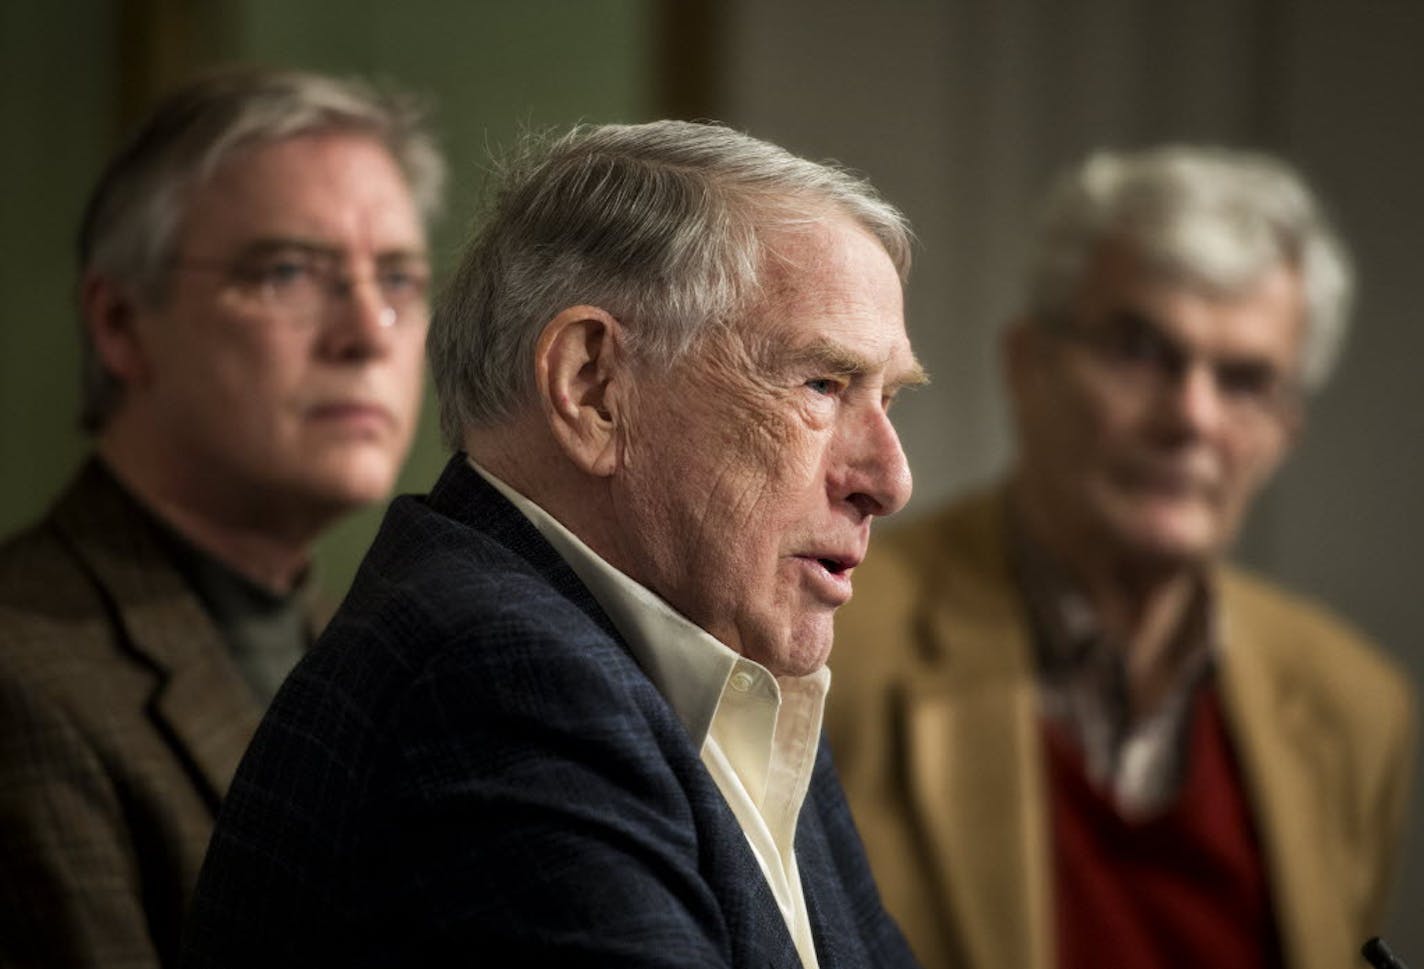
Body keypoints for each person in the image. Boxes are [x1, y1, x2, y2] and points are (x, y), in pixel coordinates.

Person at [180, 120, 926, 968]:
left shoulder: (734, 673)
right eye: (823, 384)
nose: (888, 479)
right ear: (593, 387)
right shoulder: (499, 680)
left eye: (888, 398)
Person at [827, 146, 1417, 969]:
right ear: (1027, 365)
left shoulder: (1356, 706)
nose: (1192, 418)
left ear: (1287, 431)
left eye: (1245, 379)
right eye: (1141, 351)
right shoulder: (828, 644)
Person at [0, 68, 444, 968]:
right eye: (288, 272)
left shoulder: (372, 652)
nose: (369, 330)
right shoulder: (22, 675)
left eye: (398, 276)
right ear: (121, 322)